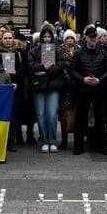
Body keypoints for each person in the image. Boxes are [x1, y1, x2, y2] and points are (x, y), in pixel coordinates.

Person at [70, 24, 107, 156]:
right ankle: (78, 146)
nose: (93, 39)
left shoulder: (103, 53)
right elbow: (72, 70)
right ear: (86, 38)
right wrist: (83, 79)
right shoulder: (78, 53)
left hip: (99, 90)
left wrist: (100, 79)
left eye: (95, 36)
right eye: (91, 37)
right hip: (83, 90)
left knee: (100, 118)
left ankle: (101, 145)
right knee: (80, 118)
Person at [29, 24, 66, 153]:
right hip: (39, 86)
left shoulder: (58, 50)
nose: (46, 39)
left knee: (52, 114)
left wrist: (46, 71)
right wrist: (42, 66)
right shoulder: (34, 51)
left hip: (53, 86)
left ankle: (52, 140)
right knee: (40, 114)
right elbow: (31, 66)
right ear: (41, 38)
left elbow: (60, 65)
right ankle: (44, 140)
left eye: (48, 36)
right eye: (44, 37)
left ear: (52, 37)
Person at [0, 29, 25, 151]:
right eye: (5, 38)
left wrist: (16, 74)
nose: (7, 40)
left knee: (14, 116)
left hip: (16, 87)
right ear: (1, 40)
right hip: (1, 88)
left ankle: (11, 142)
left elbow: (25, 69)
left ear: (13, 39)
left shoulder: (19, 52)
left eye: (9, 38)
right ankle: (1, 141)